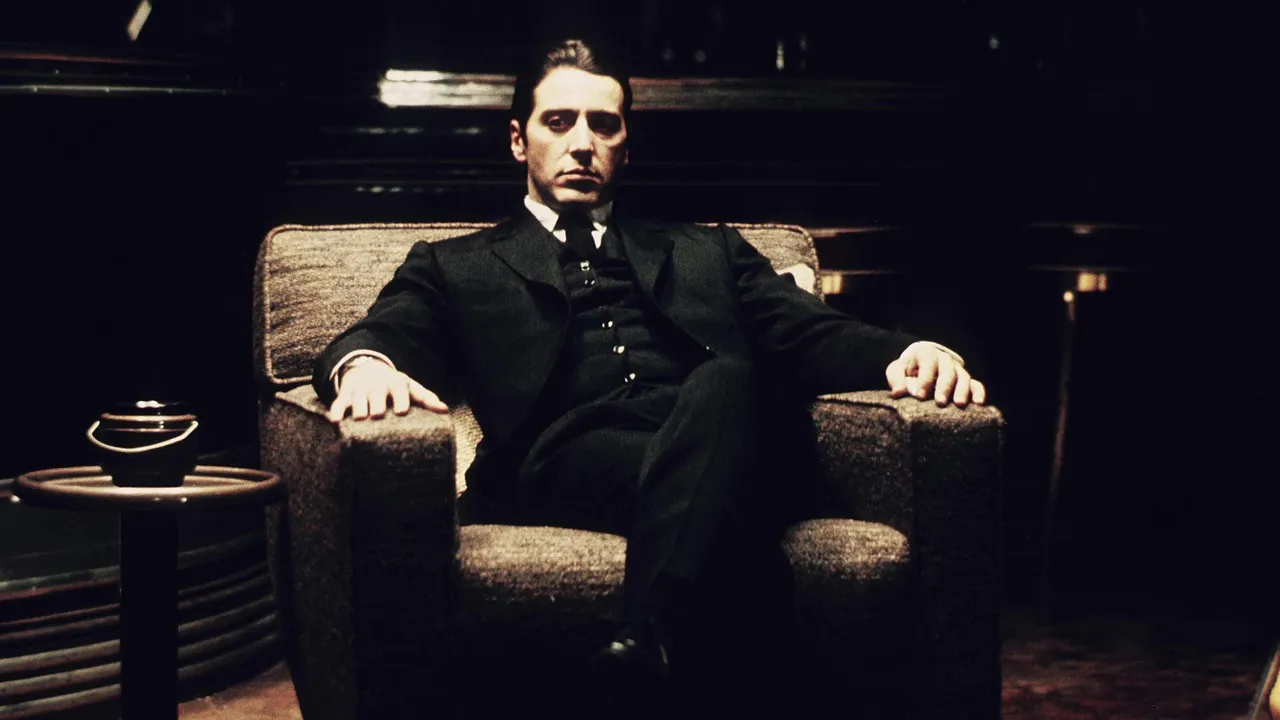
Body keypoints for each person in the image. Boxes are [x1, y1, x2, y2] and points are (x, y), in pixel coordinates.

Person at [312, 36, 986, 710]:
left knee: (726, 381)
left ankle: (646, 642)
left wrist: (911, 351)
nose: (583, 144)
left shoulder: (709, 250)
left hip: (727, 430)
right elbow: (382, 333)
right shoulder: (454, 264)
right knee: (734, 489)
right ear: (519, 141)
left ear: (626, 148)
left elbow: (809, 332)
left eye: (604, 125)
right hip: (569, 460)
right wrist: (363, 366)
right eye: (559, 122)